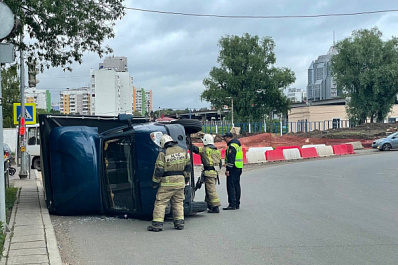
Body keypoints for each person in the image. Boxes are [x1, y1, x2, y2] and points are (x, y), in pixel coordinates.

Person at [147, 134, 191, 232]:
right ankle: (179, 223)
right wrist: (187, 178)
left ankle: (157, 224)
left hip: (167, 183)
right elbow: (188, 167)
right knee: (178, 202)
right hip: (180, 181)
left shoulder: (163, 153)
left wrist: (155, 182)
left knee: (161, 203)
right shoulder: (182, 150)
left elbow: (159, 170)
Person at [192, 134, 222, 213]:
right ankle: (209, 204)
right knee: (208, 189)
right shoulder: (216, 151)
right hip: (215, 173)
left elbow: (195, 149)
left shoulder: (205, 150)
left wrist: (189, 143)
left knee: (211, 190)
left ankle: (215, 206)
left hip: (209, 172)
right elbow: (220, 163)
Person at [222, 132, 243, 210]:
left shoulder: (231, 146)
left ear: (228, 138)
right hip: (238, 168)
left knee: (231, 186)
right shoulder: (237, 145)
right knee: (237, 185)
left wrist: (228, 170)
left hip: (233, 168)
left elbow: (231, 159)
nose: (224, 139)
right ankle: (237, 203)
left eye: (225, 138)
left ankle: (232, 204)